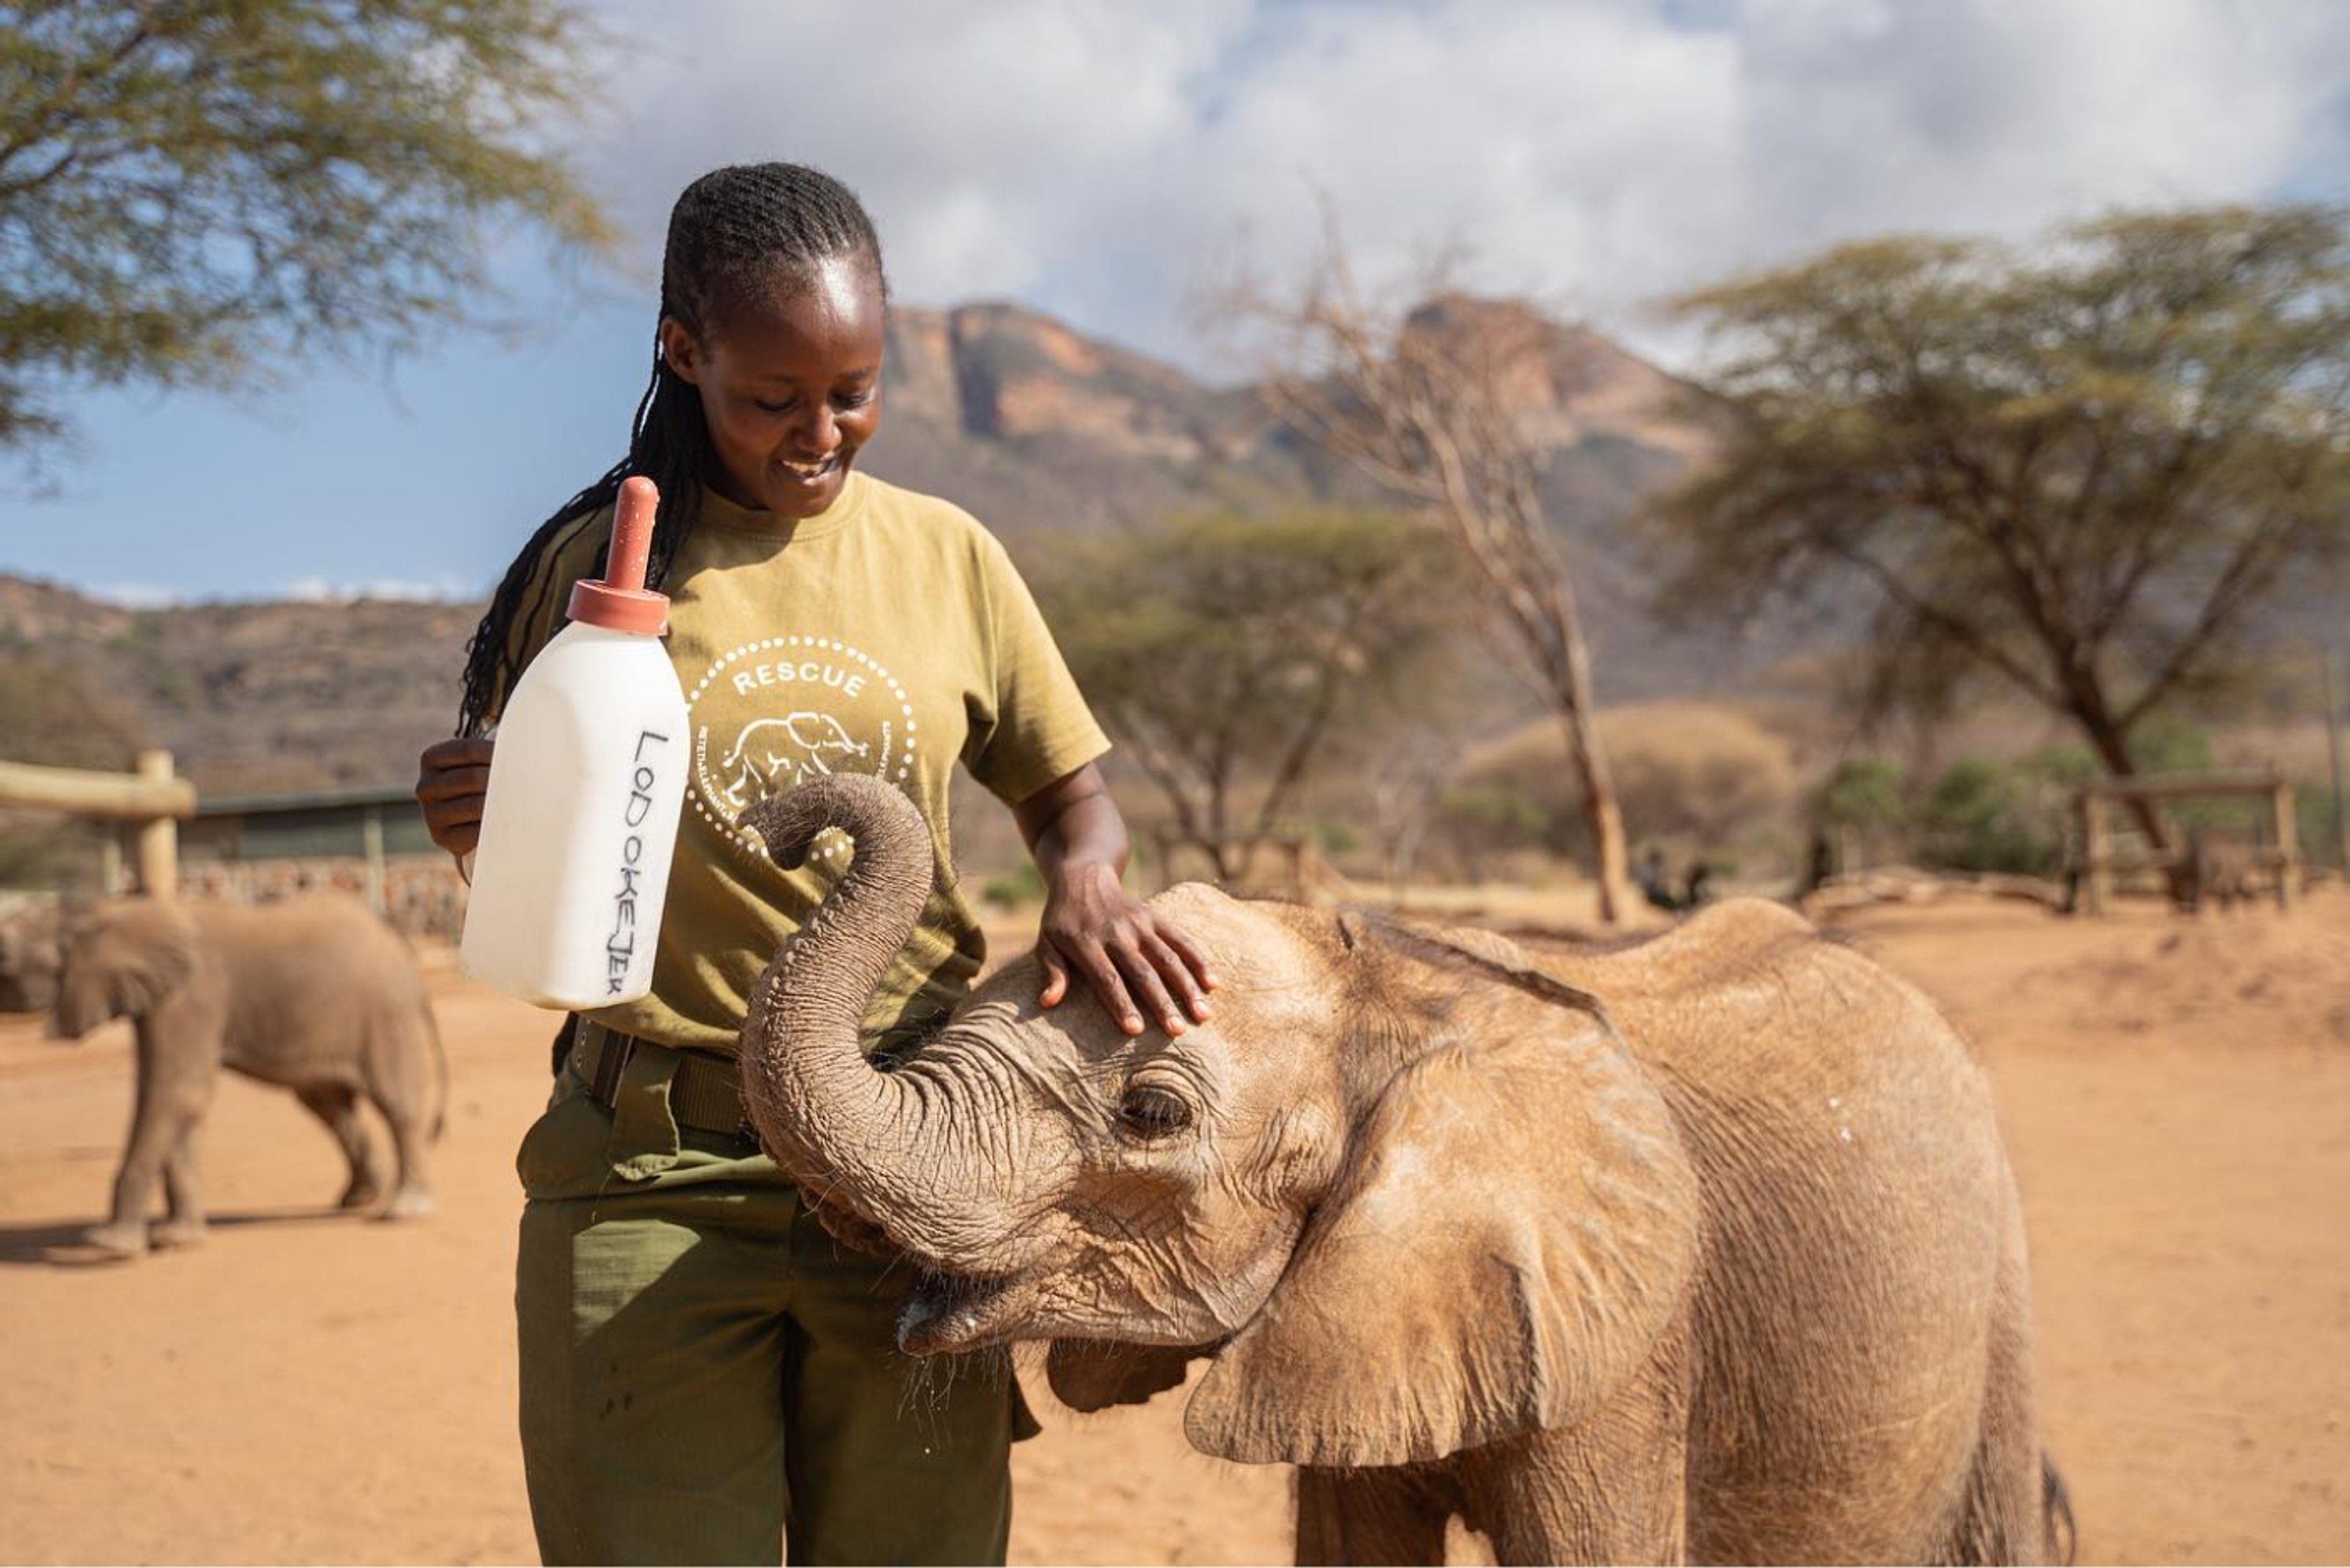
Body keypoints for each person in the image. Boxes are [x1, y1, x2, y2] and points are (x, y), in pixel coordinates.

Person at [414, 162, 1216, 1567]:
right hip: (651, 1163)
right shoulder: (599, 563)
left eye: (853, 390)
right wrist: (484, 820)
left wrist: (1089, 872)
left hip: (907, 1162)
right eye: (772, 396)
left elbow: (1072, 797)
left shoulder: (949, 555)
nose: (818, 432)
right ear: (683, 349)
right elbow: (544, 861)